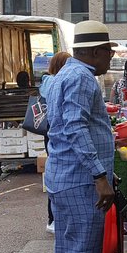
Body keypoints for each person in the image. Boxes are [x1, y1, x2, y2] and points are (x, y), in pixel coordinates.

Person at [45, 22, 118, 253]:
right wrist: (99, 175)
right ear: (93, 52)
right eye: (108, 51)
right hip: (79, 180)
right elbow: (74, 127)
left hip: (66, 177)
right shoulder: (80, 78)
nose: (111, 56)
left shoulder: (67, 74)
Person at [39, 50, 71, 232]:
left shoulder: (46, 82)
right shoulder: (55, 82)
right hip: (57, 132)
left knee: (55, 173)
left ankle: (53, 219)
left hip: (49, 132)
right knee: (59, 174)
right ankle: (54, 219)